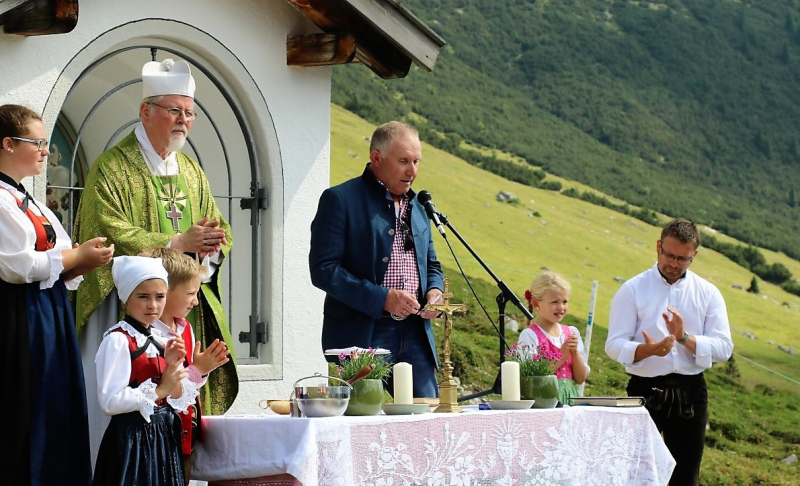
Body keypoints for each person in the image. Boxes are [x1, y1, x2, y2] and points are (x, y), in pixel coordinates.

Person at [72, 58, 238, 463]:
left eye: (189, 113)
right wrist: (176, 240)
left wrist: (210, 245)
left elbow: (219, 228)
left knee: (175, 410)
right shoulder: (111, 168)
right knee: (127, 413)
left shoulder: (193, 172)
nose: (184, 120)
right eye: (174, 110)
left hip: (179, 315)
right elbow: (105, 232)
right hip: (129, 314)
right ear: (146, 111)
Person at [0, 104, 115, 486]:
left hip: (49, 313)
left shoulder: (26, 199)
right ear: (7, 144)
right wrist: (75, 256)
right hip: (17, 316)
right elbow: (16, 265)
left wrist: (84, 262)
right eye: (39, 142)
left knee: (56, 405)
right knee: (27, 409)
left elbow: (56, 258)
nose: (48, 151)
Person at [309, 121, 444, 398]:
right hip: (362, 334)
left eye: (417, 161)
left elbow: (432, 264)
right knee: (361, 420)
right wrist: (382, 297)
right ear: (377, 158)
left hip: (416, 332)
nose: (412, 171)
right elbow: (324, 269)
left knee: (425, 422)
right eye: (404, 161)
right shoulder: (340, 199)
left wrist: (435, 290)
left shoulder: (419, 205)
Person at [605, 218, 734, 485]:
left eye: (683, 258)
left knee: (686, 477)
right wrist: (649, 350)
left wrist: (684, 338)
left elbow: (724, 348)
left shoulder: (708, 293)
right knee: (638, 473)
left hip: (691, 392)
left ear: (694, 255)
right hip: (644, 389)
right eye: (669, 255)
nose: (674, 264)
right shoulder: (632, 289)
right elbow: (614, 344)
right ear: (658, 247)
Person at [93, 255, 196, 486]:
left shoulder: (160, 339)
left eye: (160, 297)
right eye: (143, 297)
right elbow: (110, 401)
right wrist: (160, 390)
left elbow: (179, 397)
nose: (153, 305)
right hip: (132, 442)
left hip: (161, 438)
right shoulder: (118, 341)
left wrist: (172, 366)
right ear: (126, 298)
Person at [144, 247, 230, 485]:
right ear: (164, 292)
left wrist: (202, 370)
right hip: (155, 437)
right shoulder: (148, 335)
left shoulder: (186, 329)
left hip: (182, 433)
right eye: (191, 293)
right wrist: (197, 371)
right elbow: (163, 388)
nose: (195, 301)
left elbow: (187, 388)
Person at [518, 271, 589, 405]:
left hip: (571, 400)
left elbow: (580, 378)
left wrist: (574, 353)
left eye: (565, 301)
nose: (561, 307)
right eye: (554, 302)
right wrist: (562, 355)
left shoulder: (572, 332)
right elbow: (534, 378)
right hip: (545, 401)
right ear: (535, 303)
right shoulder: (530, 335)